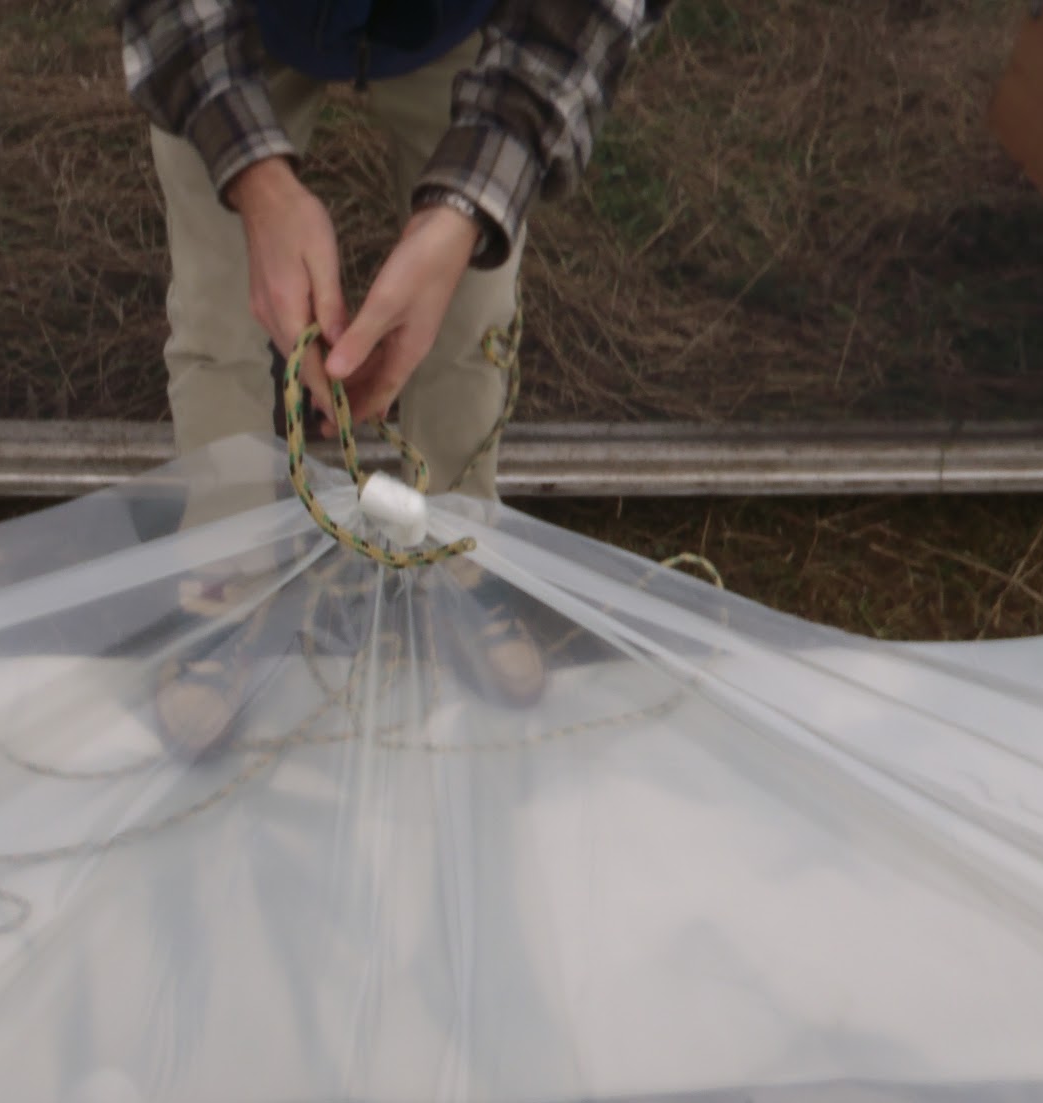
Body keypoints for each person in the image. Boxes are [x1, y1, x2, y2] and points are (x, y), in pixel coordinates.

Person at [119, 0, 670, 756]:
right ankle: (226, 572)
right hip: (235, 21)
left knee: (474, 318)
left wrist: (470, 203)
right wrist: (251, 177)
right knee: (218, 314)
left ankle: (455, 549)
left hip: (460, 23)